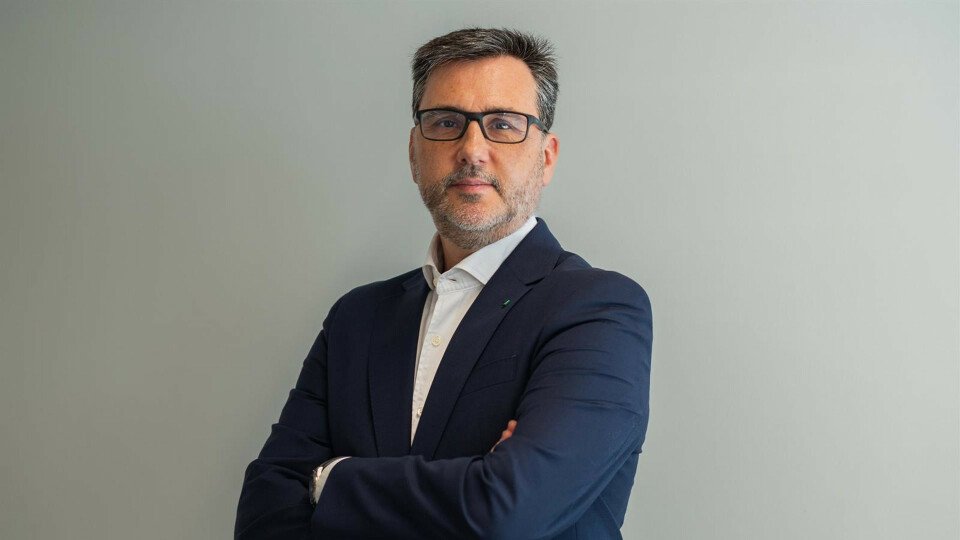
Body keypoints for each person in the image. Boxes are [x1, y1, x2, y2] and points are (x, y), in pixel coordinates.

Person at [235, 27, 652, 540]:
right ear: (415, 152)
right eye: (446, 122)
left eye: (503, 124)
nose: (472, 149)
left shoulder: (599, 309)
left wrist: (328, 478)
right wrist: (470, 482)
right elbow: (263, 513)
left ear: (546, 157)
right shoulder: (357, 319)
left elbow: (507, 511)